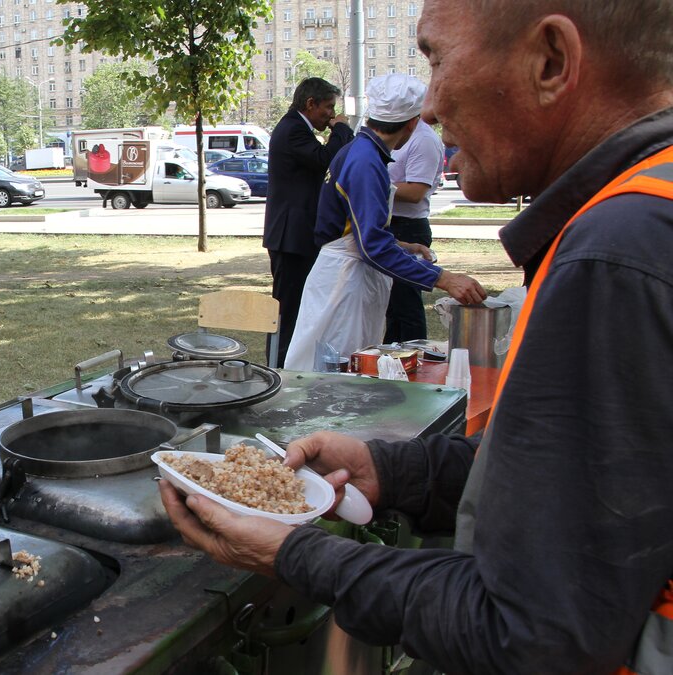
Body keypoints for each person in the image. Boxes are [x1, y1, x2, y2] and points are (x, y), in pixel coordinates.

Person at [160, 1, 673, 672]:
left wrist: (296, 553)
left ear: (550, 62)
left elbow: (527, 632)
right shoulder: (642, 212)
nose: (428, 107)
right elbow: (585, 486)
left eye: (436, 59)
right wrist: (400, 470)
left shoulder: (614, 254)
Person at [283, 74, 485, 372]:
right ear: (412, 123)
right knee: (337, 375)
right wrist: (444, 278)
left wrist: (403, 245)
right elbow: (372, 247)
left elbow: (354, 227)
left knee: (335, 370)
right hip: (345, 284)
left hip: (343, 274)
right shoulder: (366, 161)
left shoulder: (358, 152)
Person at [262, 77, 355, 367]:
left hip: (297, 234)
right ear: (310, 104)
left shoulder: (297, 129)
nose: (331, 114)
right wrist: (341, 128)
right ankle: (278, 367)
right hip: (291, 236)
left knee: (296, 306)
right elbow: (325, 159)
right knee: (287, 309)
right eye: (328, 107)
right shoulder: (292, 130)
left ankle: (288, 363)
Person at [383, 110, 445, 343]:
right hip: (392, 222)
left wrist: (375, 183)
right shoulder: (399, 135)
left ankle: (415, 361)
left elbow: (415, 192)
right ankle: (391, 360)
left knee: (406, 304)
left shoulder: (424, 139)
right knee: (393, 307)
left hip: (409, 225)